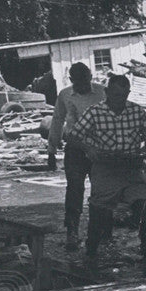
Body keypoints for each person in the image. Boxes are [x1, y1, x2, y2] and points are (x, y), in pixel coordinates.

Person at [70, 73, 146, 270]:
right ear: (107, 92)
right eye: (116, 95)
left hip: (132, 166)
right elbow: (73, 137)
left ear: (128, 94)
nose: (120, 100)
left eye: (124, 96)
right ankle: (91, 252)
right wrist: (89, 149)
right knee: (98, 209)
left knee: (144, 207)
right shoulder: (94, 112)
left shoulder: (136, 111)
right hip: (105, 167)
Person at [47, 63, 106, 251]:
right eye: (79, 82)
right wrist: (51, 149)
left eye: (86, 80)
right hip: (75, 149)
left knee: (102, 190)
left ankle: (103, 231)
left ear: (90, 76)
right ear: (72, 81)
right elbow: (57, 120)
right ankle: (72, 231)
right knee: (74, 189)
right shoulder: (65, 95)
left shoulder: (103, 92)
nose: (83, 85)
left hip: (100, 148)